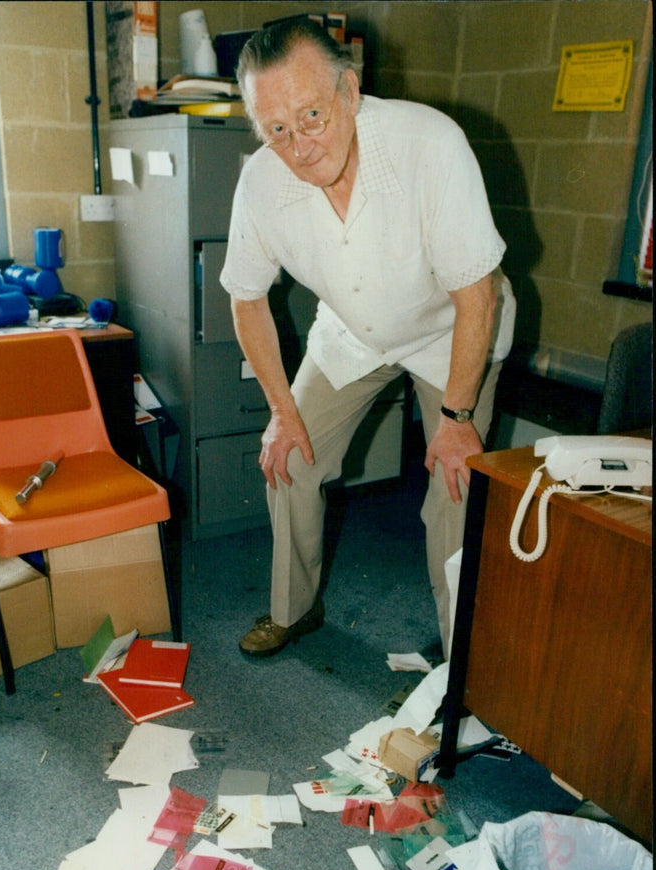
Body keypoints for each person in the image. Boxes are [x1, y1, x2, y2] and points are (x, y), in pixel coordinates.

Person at [220, 18, 516, 661]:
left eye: (313, 115)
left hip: (450, 332)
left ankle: (465, 649)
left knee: (455, 485)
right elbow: (246, 302)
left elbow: (477, 298)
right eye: (276, 129)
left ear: (350, 91)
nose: (298, 146)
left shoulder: (429, 144)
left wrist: (457, 419)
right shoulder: (262, 183)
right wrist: (280, 413)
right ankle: (292, 610)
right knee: (289, 459)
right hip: (353, 330)